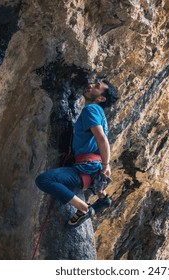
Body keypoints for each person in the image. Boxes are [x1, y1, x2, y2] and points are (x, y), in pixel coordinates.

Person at [35, 79, 119, 227]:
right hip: (92, 165)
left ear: (101, 98)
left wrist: (106, 164)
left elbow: (101, 138)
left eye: (96, 87)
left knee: (44, 180)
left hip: (87, 167)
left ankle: (85, 209)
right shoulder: (100, 114)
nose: (91, 85)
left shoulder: (91, 109)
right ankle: (103, 198)